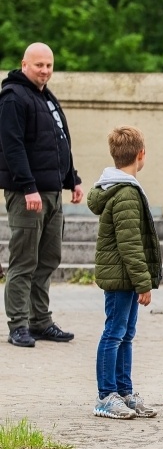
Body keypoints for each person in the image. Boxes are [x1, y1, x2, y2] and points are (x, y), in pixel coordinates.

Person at [0, 42, 83, 348]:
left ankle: (40, 321)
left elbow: (60, 142)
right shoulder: (13, 97)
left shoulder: (46, 97)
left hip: (52, 193)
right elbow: (12, 147)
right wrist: (27, 186)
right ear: (25, 64)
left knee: (48, 258)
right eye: (39, 65)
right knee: (24, 261)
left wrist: (72, 180)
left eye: (49, 65)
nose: (45, 71)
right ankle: (18, 325)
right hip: (29, 195)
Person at [87, 126, 161, 419]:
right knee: (114, 333)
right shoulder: (127, 192)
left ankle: (125, 392)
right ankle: (106, 396)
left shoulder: (119, 187)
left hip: (124, 277)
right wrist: (144, 284)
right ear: (141, 154)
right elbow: (130, 245)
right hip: (122, 277)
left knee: (125, 334)